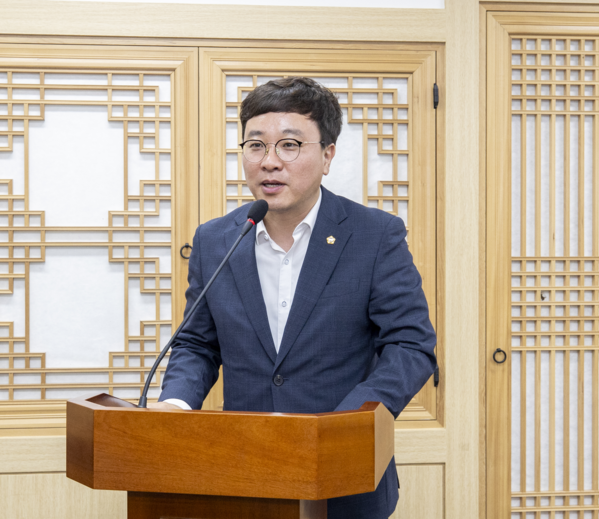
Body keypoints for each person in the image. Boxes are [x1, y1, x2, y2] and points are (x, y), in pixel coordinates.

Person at [152, 76, 437, 519]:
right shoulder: (216, 239)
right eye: (256, 145)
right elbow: (197, 344)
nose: (270, 162)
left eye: (290, 145)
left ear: (327, 156)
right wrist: (176, 403)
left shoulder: (374, 235)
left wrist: (349, 423)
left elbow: (411, 345)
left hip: (346, 475)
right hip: (244, 472)